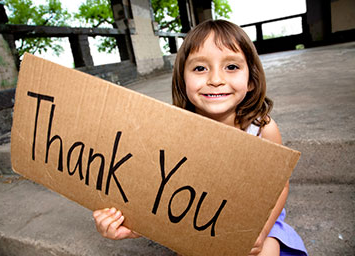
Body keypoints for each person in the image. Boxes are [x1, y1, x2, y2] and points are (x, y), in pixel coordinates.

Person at [93, 19, 308, 256]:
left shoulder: (261, 129)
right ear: (182, 80)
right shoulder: (173, 132)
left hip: (256, 218)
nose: (215, 80)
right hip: (199, 216)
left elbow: (279, 187)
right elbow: (159, 191)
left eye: (232, 67)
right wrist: (130, 223)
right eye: (200, 68)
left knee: (263, 252)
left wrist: (261, 230)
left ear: (251, 81)